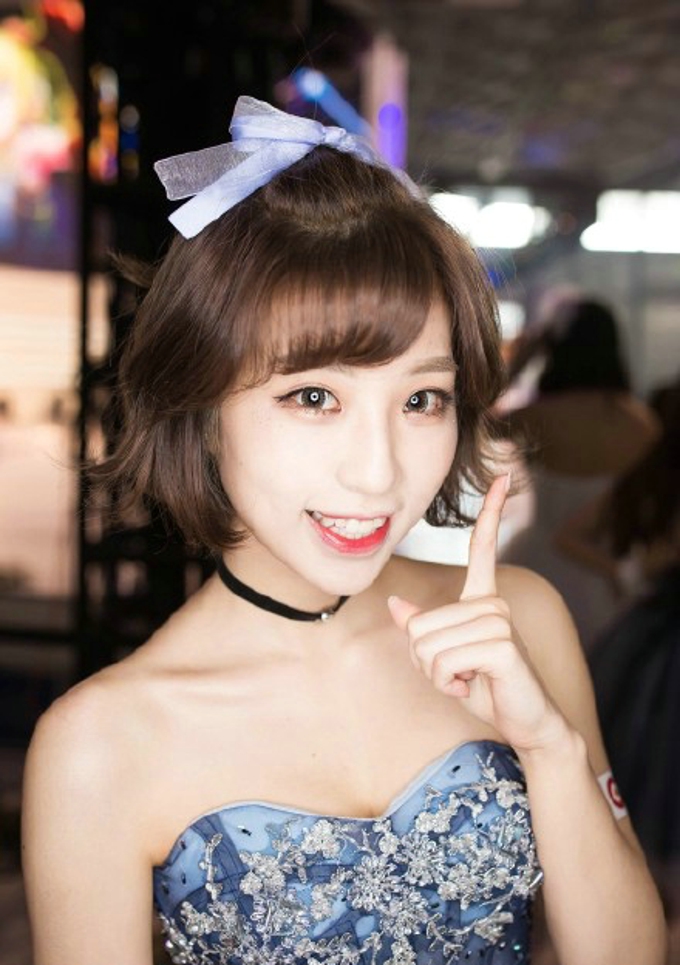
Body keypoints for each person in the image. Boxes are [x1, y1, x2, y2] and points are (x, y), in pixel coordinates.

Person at [21, 96, 665, 965]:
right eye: (315, 396)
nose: (378, 471)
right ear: (201, 405)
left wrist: (549, 745)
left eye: (421, 398)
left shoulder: (521, 621)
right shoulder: (99, 744)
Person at [555, 373, 680, 864]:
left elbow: (569, 535)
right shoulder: (650, 476)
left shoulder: (646, 474)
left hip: (649, 622)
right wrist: (630, 572)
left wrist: (624, 573)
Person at [499, 294, 660, 649]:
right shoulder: (643, 424)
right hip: (608, 568)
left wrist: (519, 363)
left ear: (554, 349)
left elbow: (471, 423)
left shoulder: (535, 417)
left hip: (538, 562)